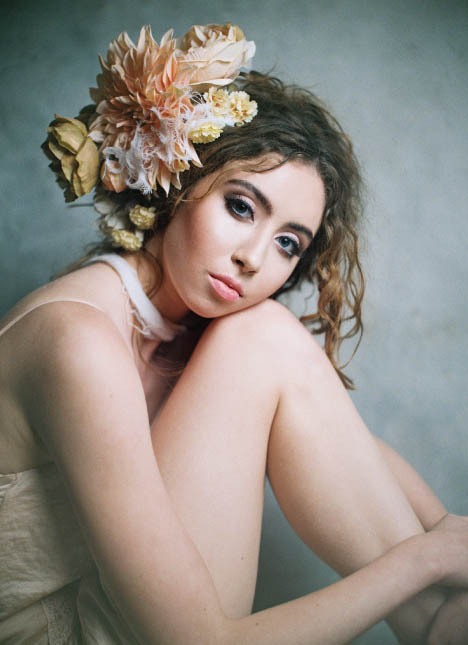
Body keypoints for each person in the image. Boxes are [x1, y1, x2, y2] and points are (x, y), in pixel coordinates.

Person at [0, 22, 467, 644]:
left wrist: (445, 532)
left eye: (287, 244)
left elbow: (341, 442)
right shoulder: (77, 340)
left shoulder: (203, 328)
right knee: (262, 336)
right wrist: (420, 562)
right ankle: (438, 616)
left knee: (261, 335)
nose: (253, 258)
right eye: (241, 207)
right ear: (181, 183)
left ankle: (445, 612)